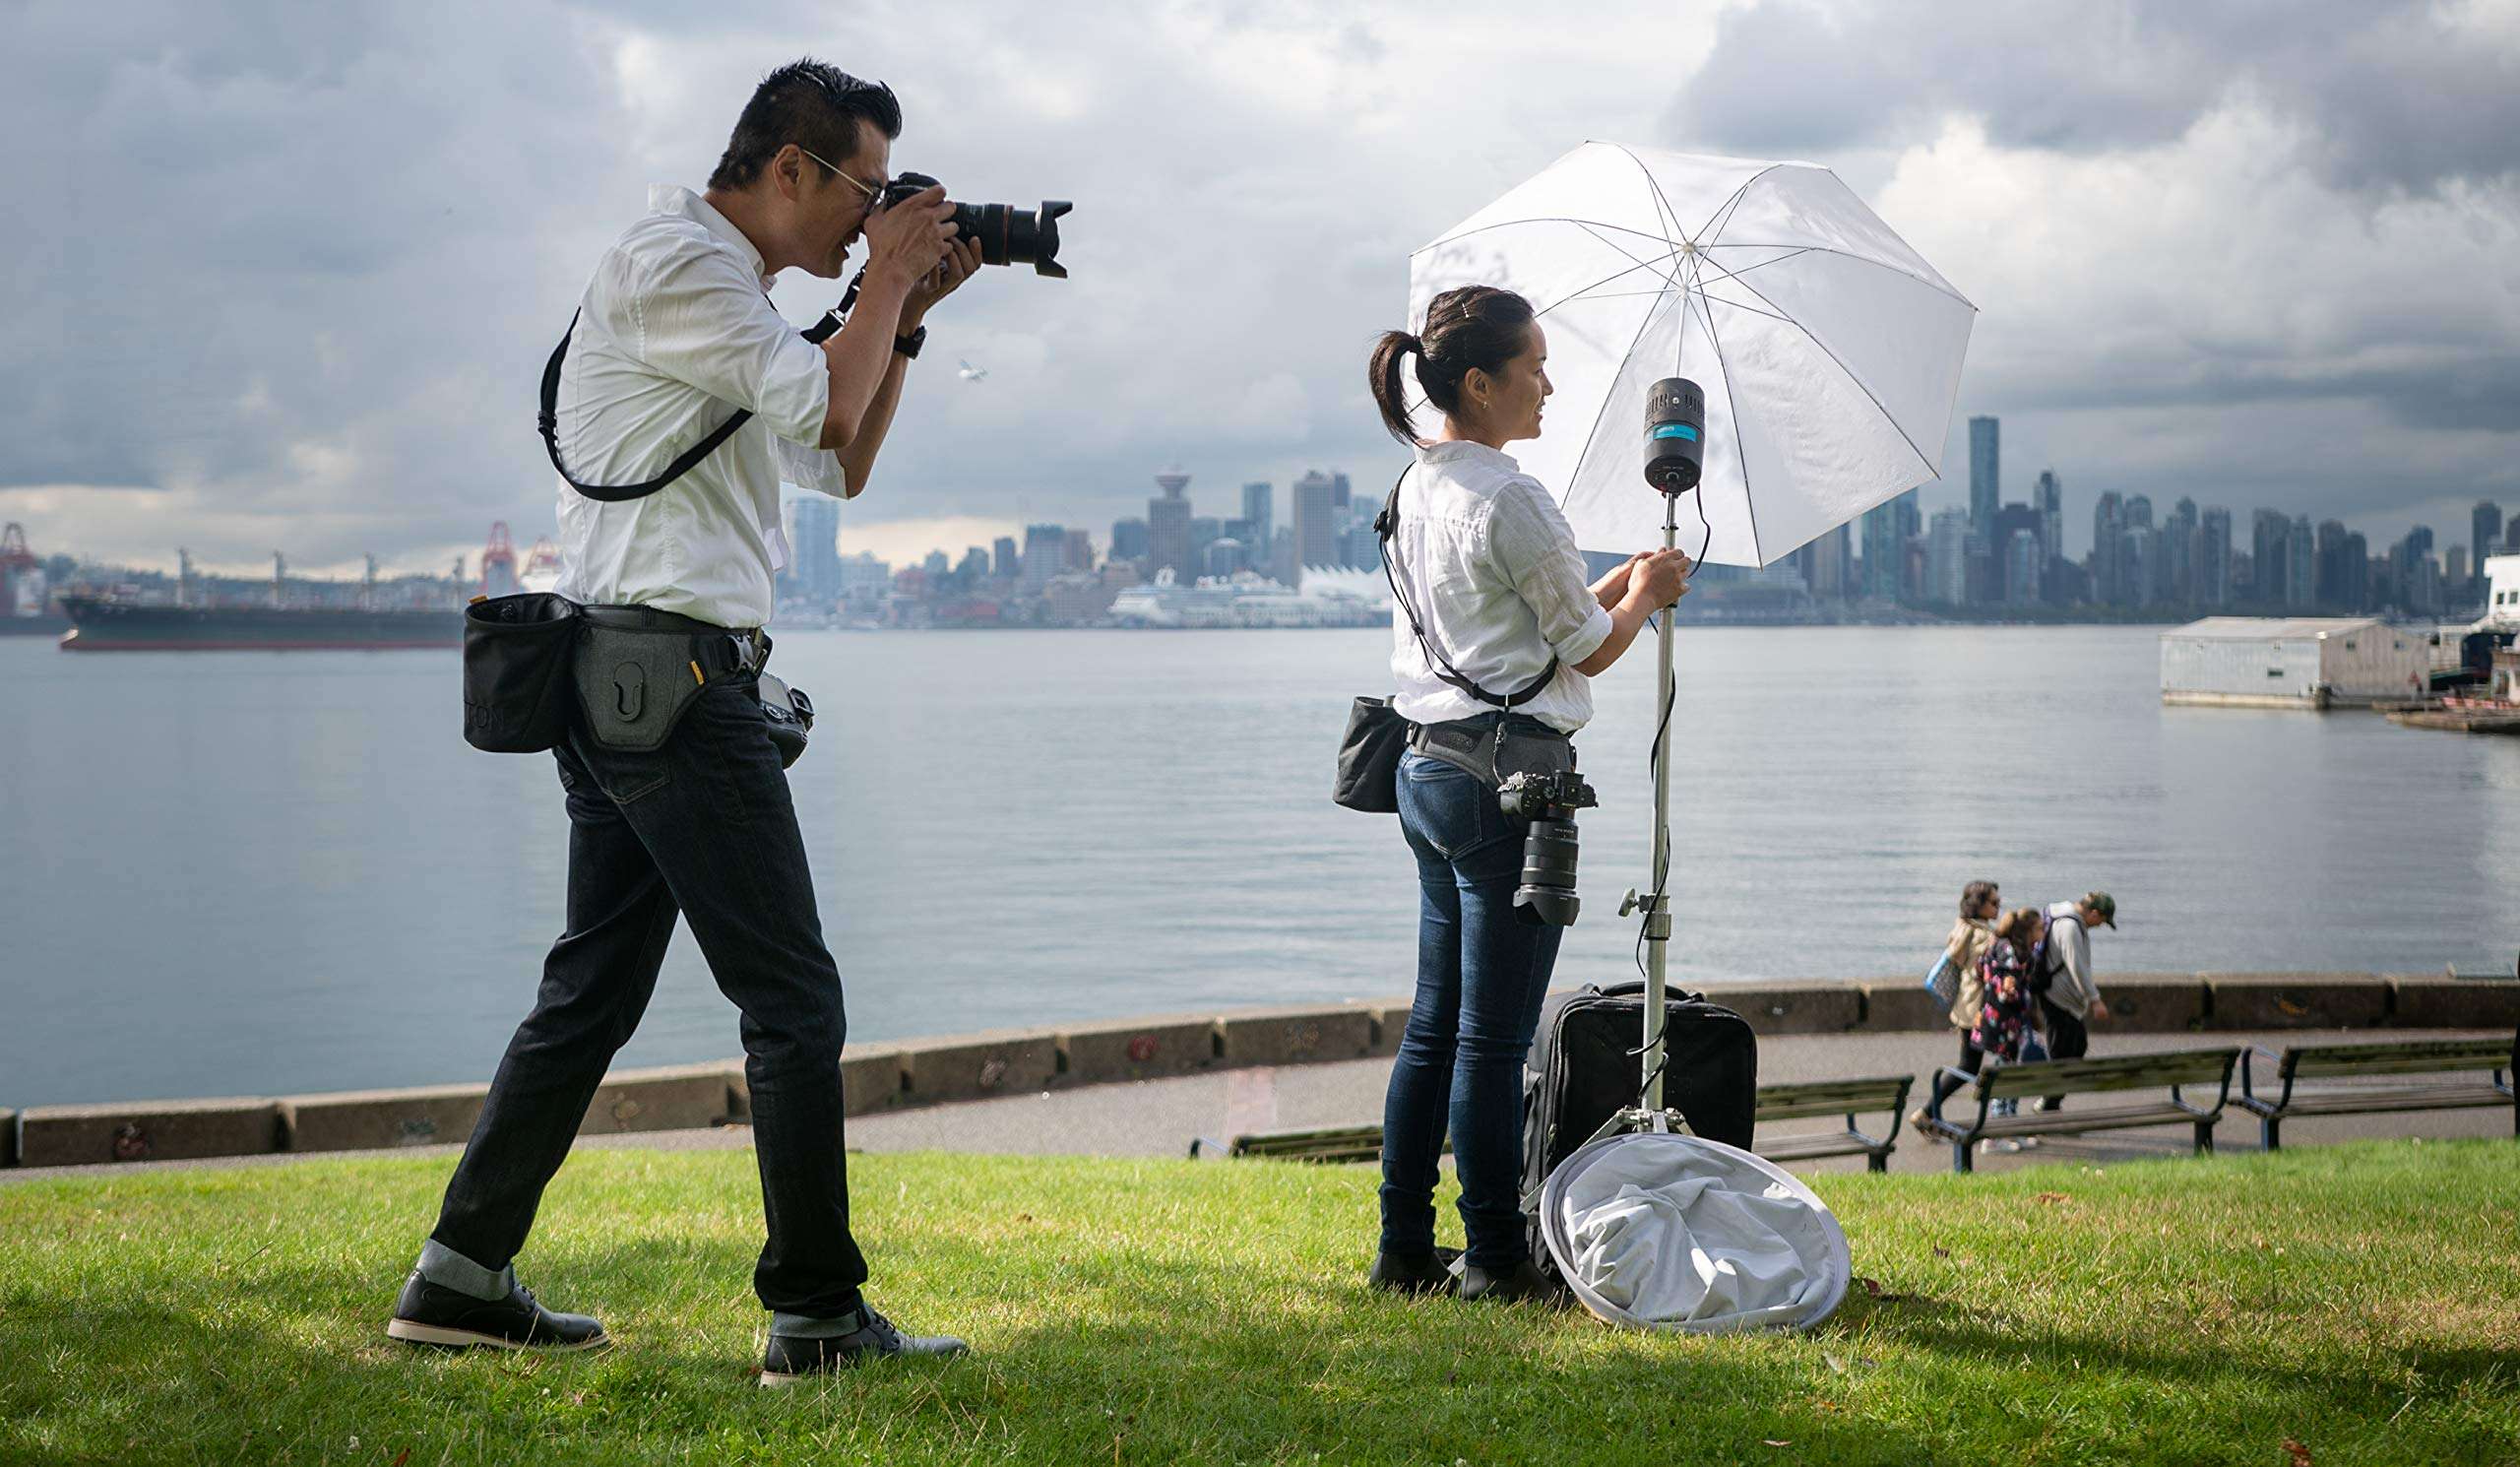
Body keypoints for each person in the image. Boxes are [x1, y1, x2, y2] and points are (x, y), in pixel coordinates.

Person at [388, 59, 981, 1382]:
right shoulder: (680, 261)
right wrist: (883, 282)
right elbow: (830, 402)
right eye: (865, 194)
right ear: (791, 168)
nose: (867, 223)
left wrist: (909, 311)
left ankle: (460, 1273)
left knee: (589, 992)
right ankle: (816, 1314)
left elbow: (839, 457)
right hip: (674, 684)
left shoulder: (733, 304)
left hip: (638, 681)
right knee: (793, 998)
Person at [1361, 285, 1693, 1303]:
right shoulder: (1512, 497)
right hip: (1508, 784)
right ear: (1479, 381)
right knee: (1491, 1038)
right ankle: (1497, 1259)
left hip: (1427, 768)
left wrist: (1615, 586)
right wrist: (1646, 593)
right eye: (1534, 366)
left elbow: (1519, 638)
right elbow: (1589, 648)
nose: (1547, 382)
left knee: (1434, 1027)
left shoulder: (1419, 485)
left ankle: (1404, 1248)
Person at [1917, 880, 1999, 1119]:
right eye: (1994, 903)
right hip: (1980, 1008)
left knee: (1969, 1065)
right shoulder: (1984, 937)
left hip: (1965, 1005)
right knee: (1970, 1066)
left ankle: (1929, 1113)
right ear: (1979, 905)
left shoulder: (1963, 928)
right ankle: (1927, 1112)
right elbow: (1984, 970)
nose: (1998, 907)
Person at [2033, 891, 2116, 1111]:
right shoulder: (2070, 927)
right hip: (2059, 998)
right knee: (2063, 1054)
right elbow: (2076, 966)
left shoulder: (2058, 912)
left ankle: (2050, 1101)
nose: (2099, 926)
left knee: (2074, 1047)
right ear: (2095, 913)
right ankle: (2049, 1105)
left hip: (2057, 995)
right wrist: (2095, 999)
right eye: (2102, 921)